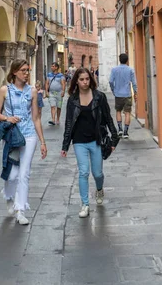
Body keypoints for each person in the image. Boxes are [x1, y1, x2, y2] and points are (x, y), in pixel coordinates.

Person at [0, 59, 47, 225]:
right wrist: (7, 118)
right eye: (23, 70)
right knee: (12, 174)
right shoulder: (5, 90)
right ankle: (8, 196)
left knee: (24, 173)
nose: (26, 73)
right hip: (12, 135)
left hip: (29, 135)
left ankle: (20, 209)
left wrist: (42, 142)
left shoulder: (32, 91)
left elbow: (36, 118)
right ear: (15, 72)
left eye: (28, 70)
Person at [61, 67, 118, 217]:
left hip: (96, 140)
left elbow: (108, 118)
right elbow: (68, 123)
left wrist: (114, 138)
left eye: (87, 79)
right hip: (79, 141)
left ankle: (99, 189)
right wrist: (65, 145)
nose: (85, 82)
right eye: (81, 79)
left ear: (90, 79)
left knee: (97, 173)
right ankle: (85, 204)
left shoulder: (99, 97)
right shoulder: (72, 100)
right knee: (84, 172)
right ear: (76, 81)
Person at [109, 53, 138, 139]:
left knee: (118, 111)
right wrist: (135, 92)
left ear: (119, 60)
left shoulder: (114, 69)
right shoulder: (130, 70)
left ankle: (120, 129)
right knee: (127, 112)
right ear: (127, 60)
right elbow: (134, 83)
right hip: (127, 94)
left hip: (118, 94)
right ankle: (126, 132)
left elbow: (110, 81)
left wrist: (113, 89)